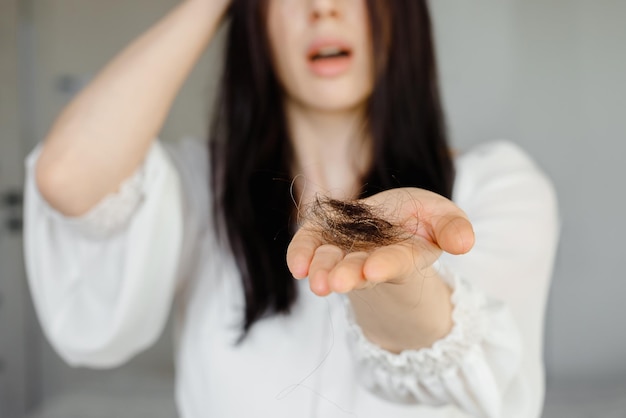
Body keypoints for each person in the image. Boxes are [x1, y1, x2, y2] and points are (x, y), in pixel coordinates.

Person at [22, 0, 559, 417]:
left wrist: (384, 272)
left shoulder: (496, 186)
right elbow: (66, 177)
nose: (323, 7)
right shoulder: (198, 188)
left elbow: (477, 375)